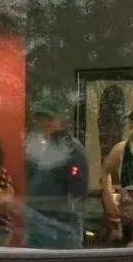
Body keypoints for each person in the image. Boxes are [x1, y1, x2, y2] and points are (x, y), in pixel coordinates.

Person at [20, 98, 89, 248]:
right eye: (40, 119)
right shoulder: (37, 149)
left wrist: (66, 214)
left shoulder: (72, 148)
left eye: (49, 119)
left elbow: (79, 190)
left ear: (59, 120)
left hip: (62, 224)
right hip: (38, 221)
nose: (44, 123)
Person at [100, 108, 133, 243]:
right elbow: (105, 171)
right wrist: (108, 198)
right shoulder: (121, 149)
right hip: (128, 213)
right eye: (131, 128)